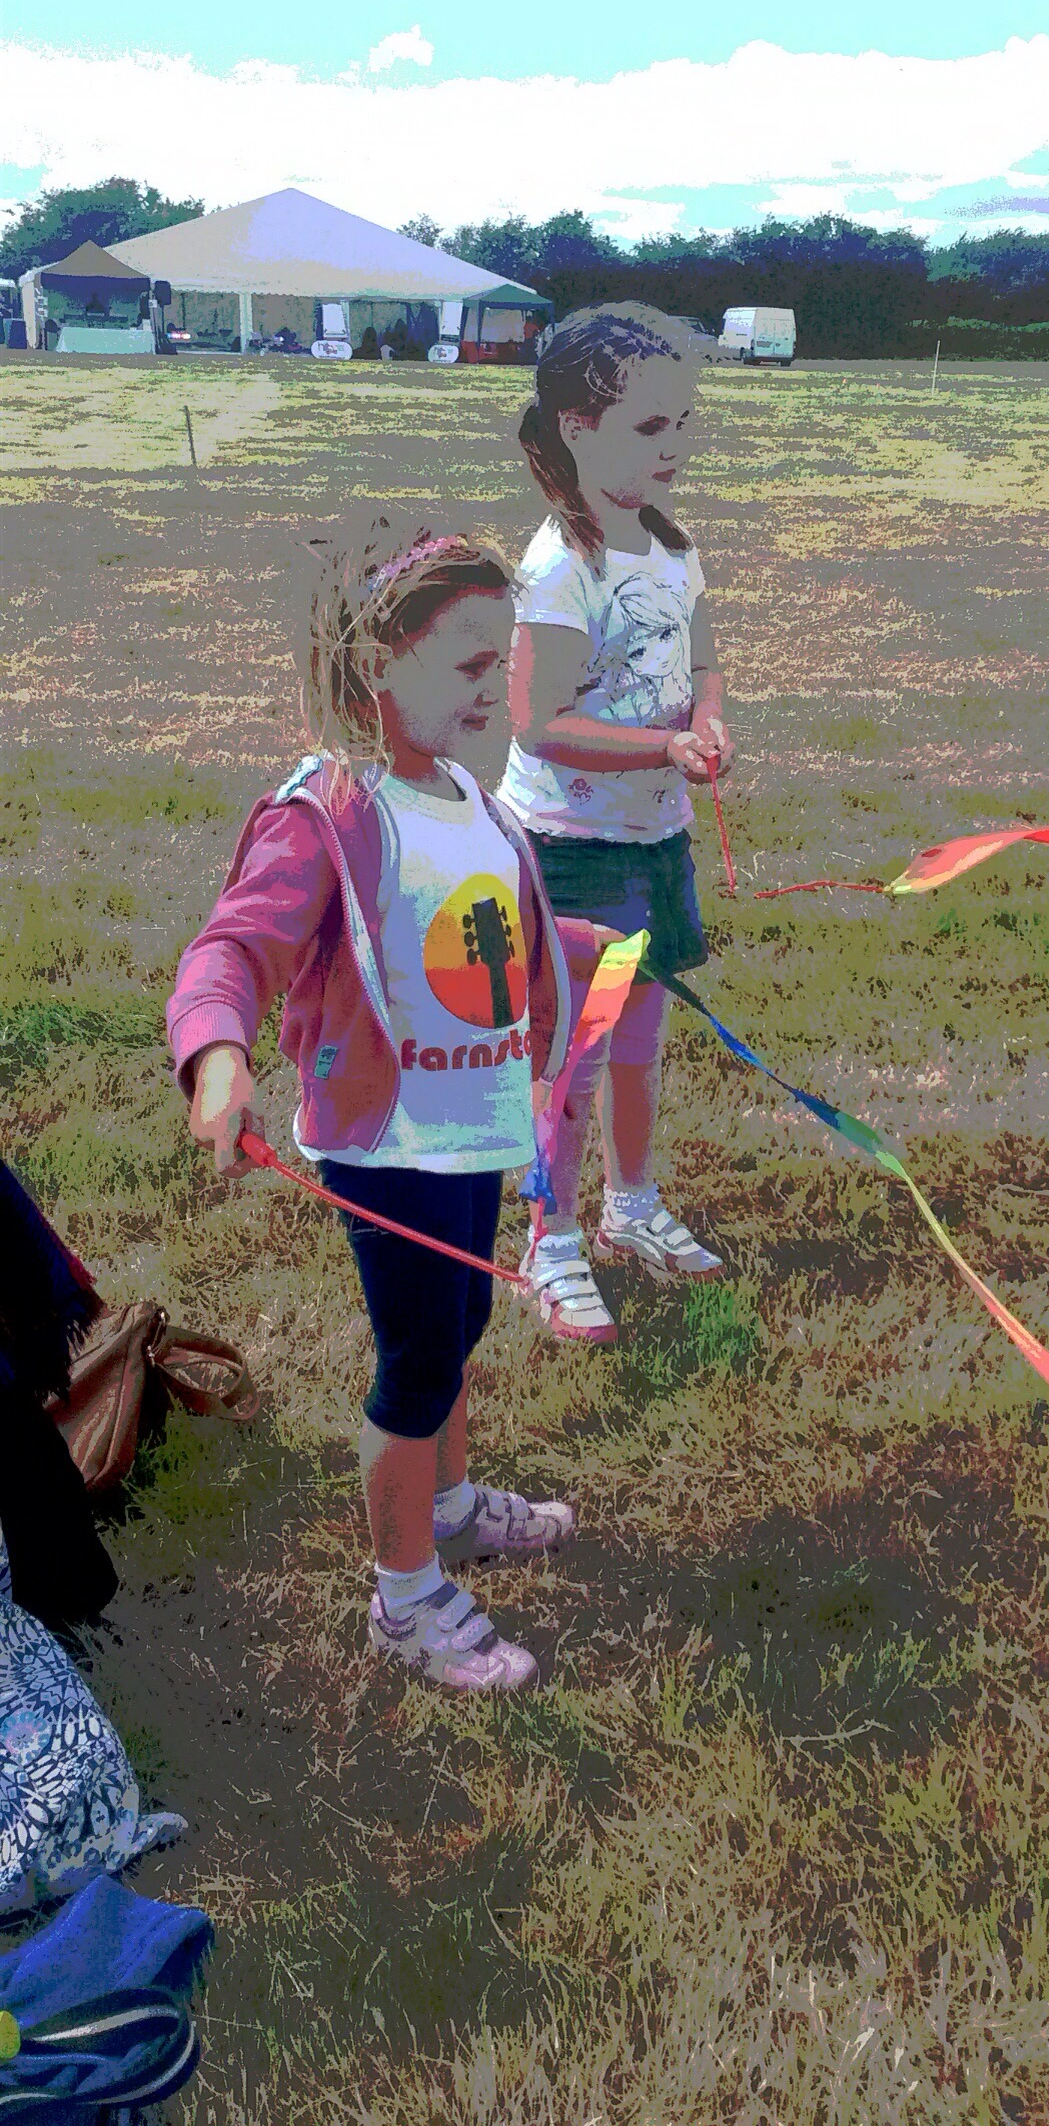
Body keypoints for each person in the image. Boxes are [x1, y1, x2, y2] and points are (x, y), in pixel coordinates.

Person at [167, 521, 610, 1696]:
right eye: (469, 664)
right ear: (377, 664)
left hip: (472, 1128)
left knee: (460, 1327)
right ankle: (405, 1596)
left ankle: (449, 1506)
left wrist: (584, 953)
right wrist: (217, 1053)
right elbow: (234, 948)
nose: (496, 688)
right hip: (391, 1145)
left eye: (502, 659)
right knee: (417, 1366)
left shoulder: (468, 796)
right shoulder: (328, 811)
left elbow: (479, 944)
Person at [497, 304, 734, 1345]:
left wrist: (709, 722)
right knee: (571, 1060)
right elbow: (537, 724)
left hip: (654, 841)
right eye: (649, 428)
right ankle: (549, 1239)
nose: (673, 446)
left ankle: (630, 1205)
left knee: (639, 1043)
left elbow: (703, 659)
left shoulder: (673, 547)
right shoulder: (561, 564)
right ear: (577, 428)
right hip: (570, 851)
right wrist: (662, 749)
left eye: (683, 423)